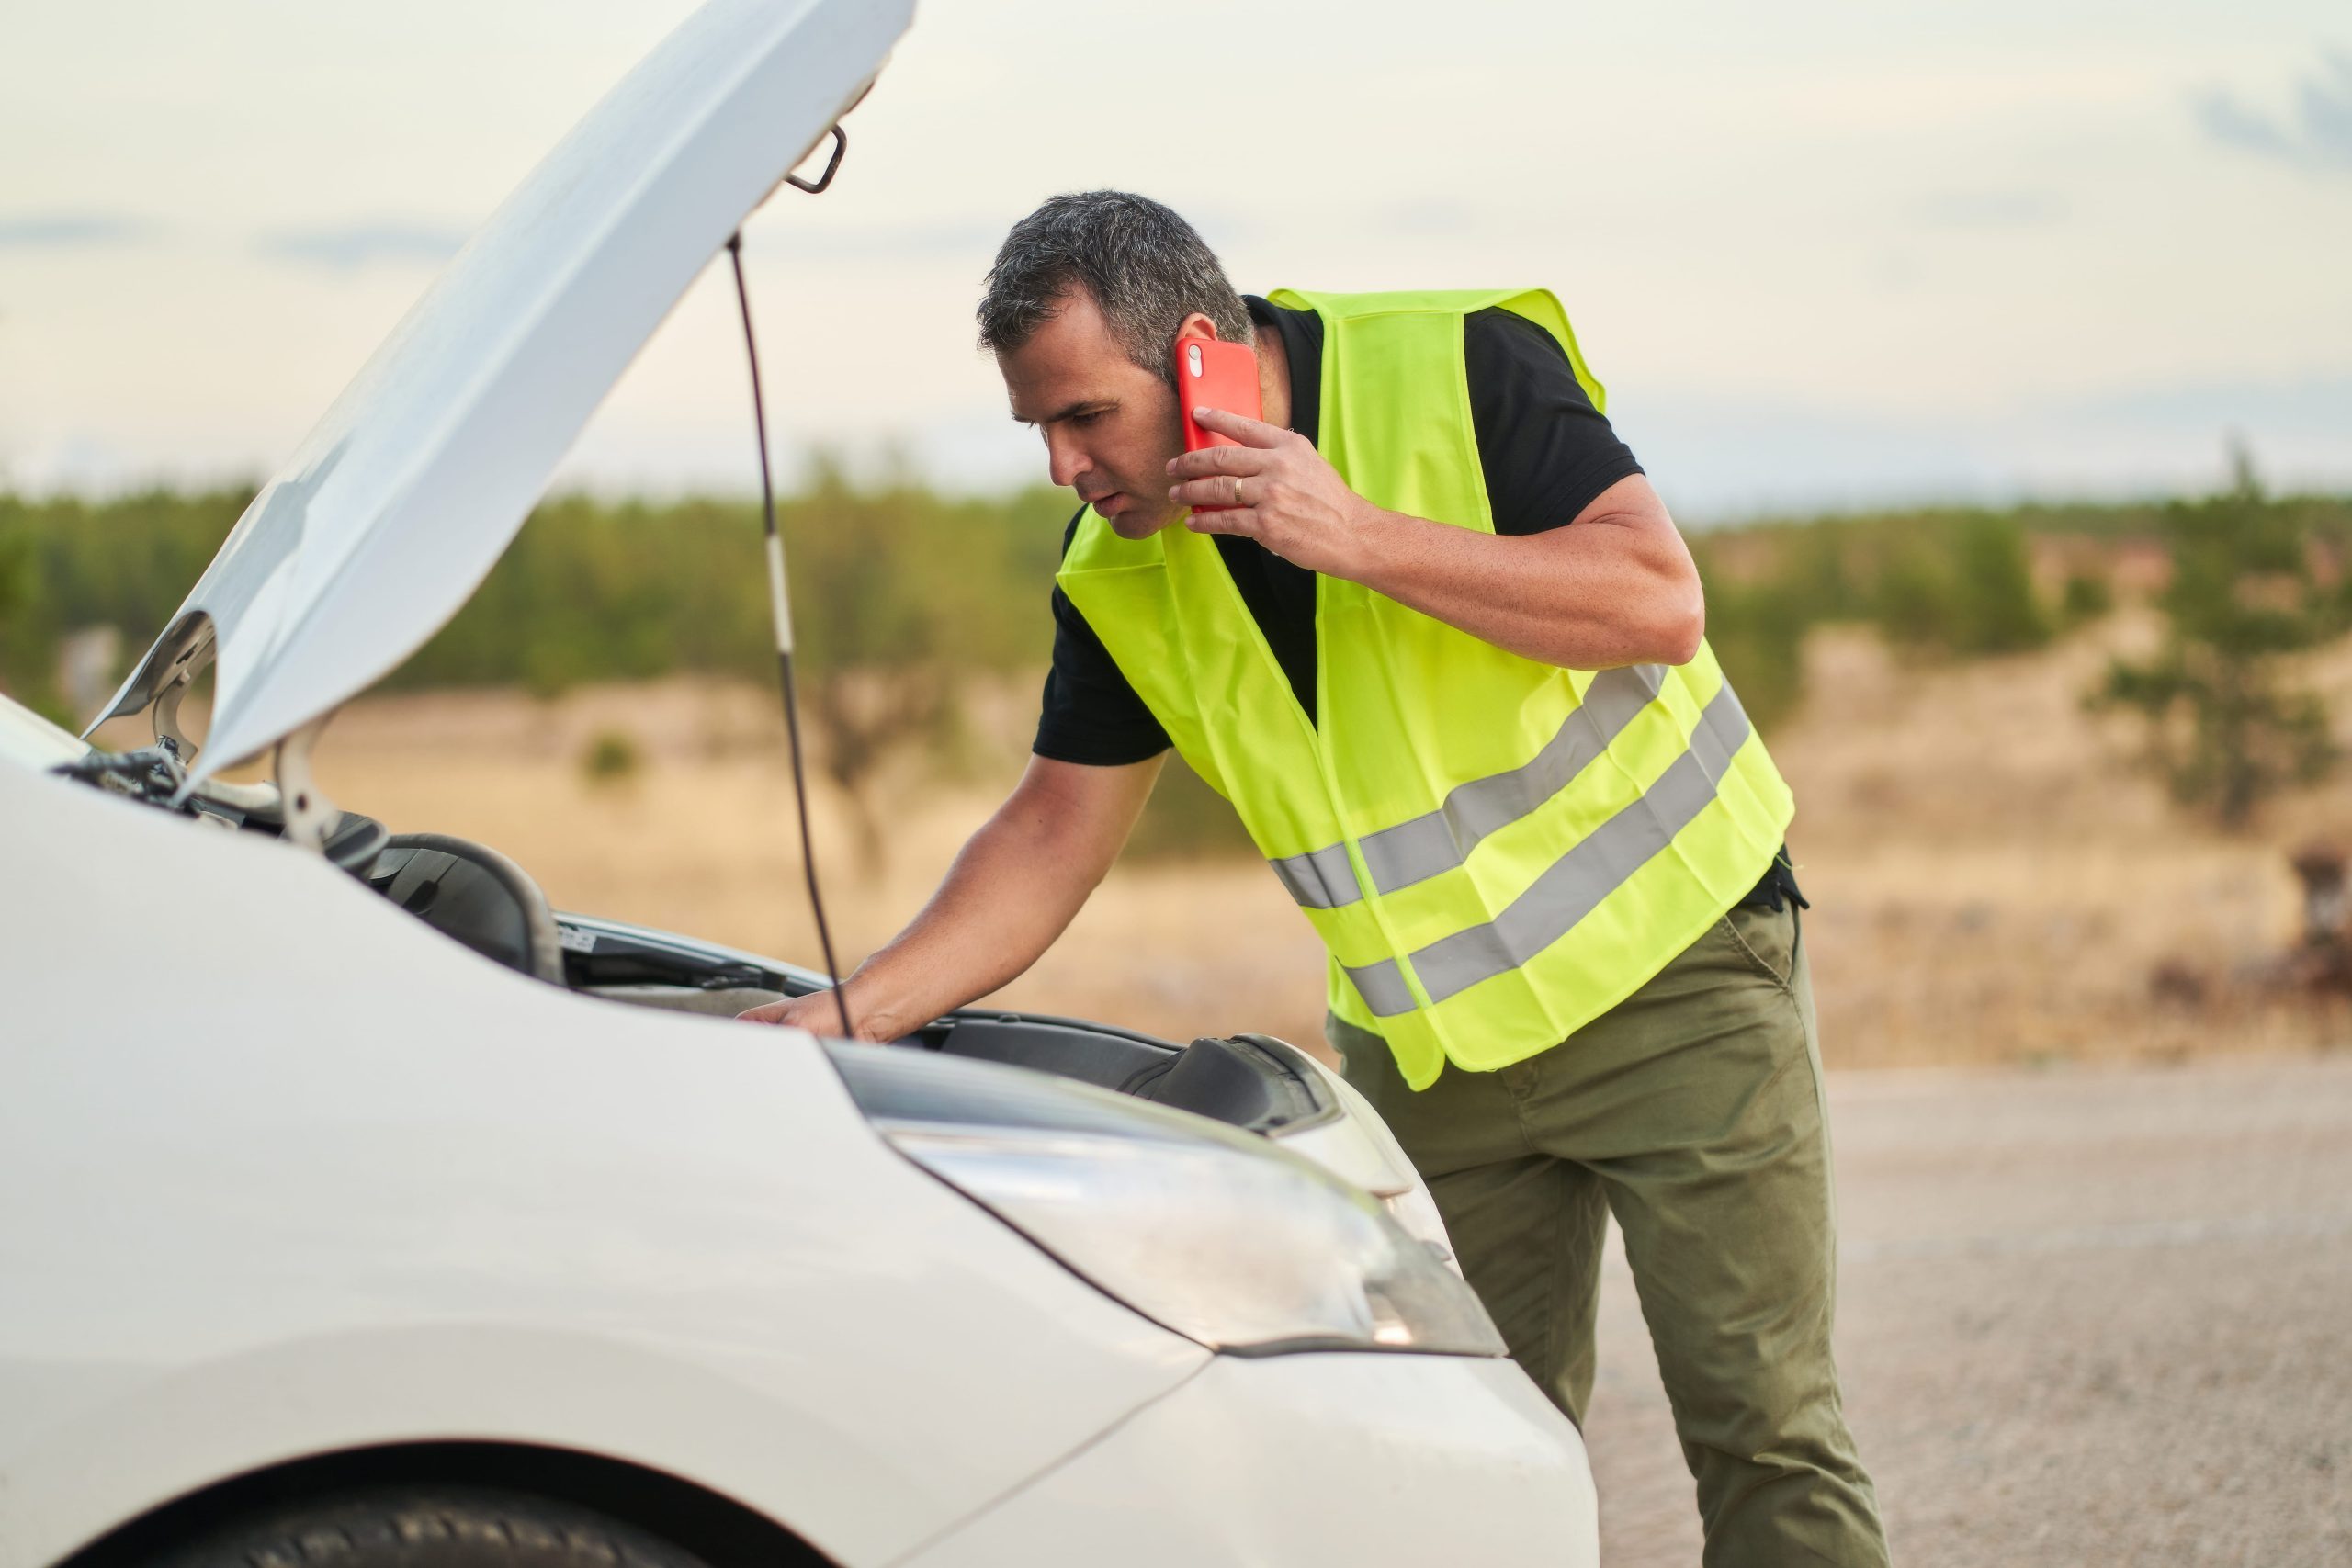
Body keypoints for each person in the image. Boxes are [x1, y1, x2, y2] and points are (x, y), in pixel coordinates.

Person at [742, 190, 1890, 1567]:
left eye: (1084, 417)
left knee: (1763, 1431)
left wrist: (1356, 534)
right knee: (1451, 1464)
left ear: (1202, 359)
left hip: (1680, 982)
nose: (1061, 467)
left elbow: (1655, 598)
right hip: (1435, 1057)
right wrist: (850, 1015)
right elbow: (1050, 835)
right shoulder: (1119, 574)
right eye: (1036, 429)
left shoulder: (1464, 368)